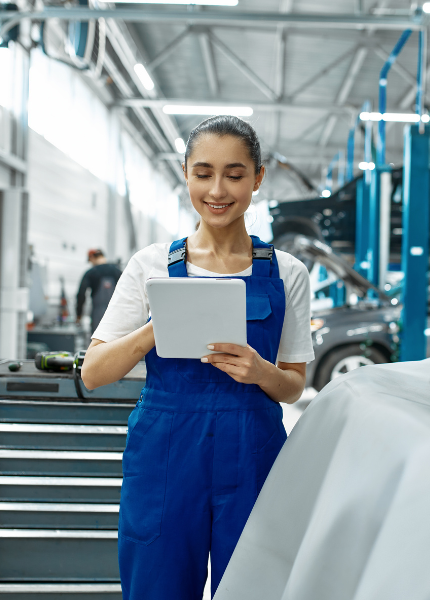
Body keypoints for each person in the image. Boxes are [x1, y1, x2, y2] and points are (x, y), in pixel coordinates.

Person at [81, 116, 314, 599]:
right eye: (203, 172)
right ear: (185, 173)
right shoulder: (150, 266)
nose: (218, 189)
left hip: (254, 451)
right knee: (157, 587)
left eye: (234, 173)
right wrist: (157, 327)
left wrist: (261, 372)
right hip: (166, 454)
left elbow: (293, 384)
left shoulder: (288, 272)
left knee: (251, 586)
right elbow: (94, 373)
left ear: (257, 178)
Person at [76, 249, 123, 335]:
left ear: (92, 257)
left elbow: (81, 295)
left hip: (97, 316)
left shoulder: (91, 273)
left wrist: (79, 315)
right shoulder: (117, 272)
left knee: (97, 342)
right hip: (115, 315)